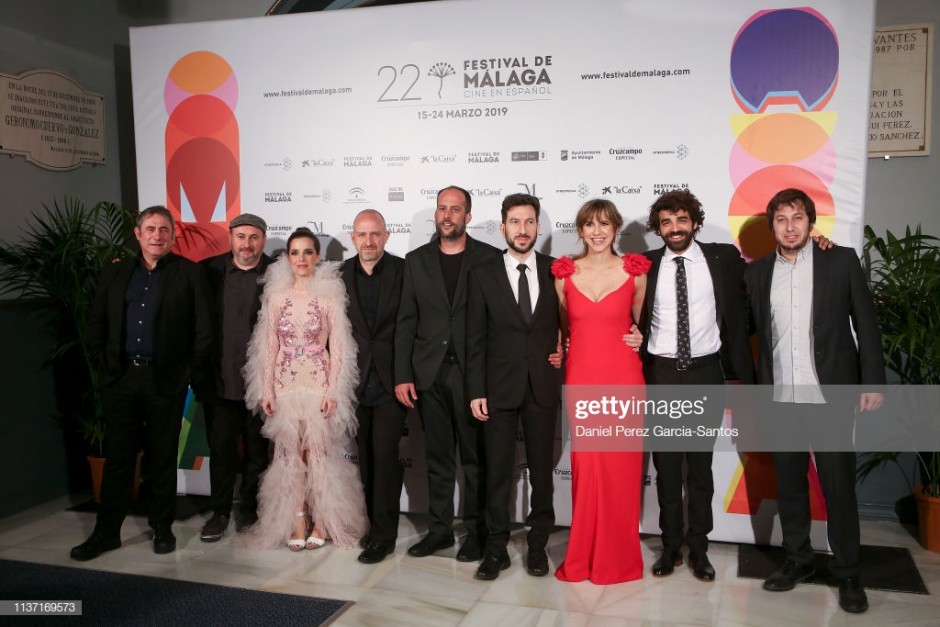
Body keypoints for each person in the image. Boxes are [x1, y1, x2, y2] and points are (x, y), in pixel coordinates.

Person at [745, 188, 885, 614]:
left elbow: (866, 323)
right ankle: (798, 559)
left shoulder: (839, 261)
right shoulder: (757, 273)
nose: (790, 226)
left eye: (798, 217)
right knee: (789, 485)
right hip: (780, 394)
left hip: (831, 393)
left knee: (838, 486)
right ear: (772, 226)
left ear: (811, 222)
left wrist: (871, 382)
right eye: (782, 219)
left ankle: (848, 572)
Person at [71, 206, 211, 561]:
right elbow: (96, 322)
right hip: (121, 379)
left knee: (163, 458)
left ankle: (162, 529)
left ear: (172, 234)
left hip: (165, 380)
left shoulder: (190, 274)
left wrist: (188, 375)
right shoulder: (115, 274)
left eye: (164, 229)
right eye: (150, 229)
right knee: (119, 458)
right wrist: (105, 368)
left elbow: (203, 330)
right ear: (137, 233)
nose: (157, 236)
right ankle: (107, 534)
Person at [638, 190, 755, 582]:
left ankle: (699, 547)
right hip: (663, 374)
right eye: (666, 222)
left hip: (706, 372)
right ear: (659, 228)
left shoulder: (722, 258)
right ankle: (670, 546)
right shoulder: (644, 265)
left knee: (700, 468)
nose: (675, 228)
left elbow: (764, 278)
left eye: (681, 220)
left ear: (694, 222)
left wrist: (819, 246)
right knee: (668, 467)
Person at [242, 227, 368, 550]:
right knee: (288, 456)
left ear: (317, 257)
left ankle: (324, 521)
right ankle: (298, 519)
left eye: (307, 252)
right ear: (288, 257)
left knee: (319, 456)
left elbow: (339, 347)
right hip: (285, 383)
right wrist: (266, 389)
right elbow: (268, 346)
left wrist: (333, 392)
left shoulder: (328, 295)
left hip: (318, 381)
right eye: (295, 253)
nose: (301, 259)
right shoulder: (275, 297)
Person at [395, 185, 500, 562]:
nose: (447, 215)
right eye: (442, 208)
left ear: (467, 217)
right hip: (429, 375)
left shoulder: (490, 258)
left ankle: (476, 532)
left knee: (475, 460)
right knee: (437, 459)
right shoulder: (416, 260)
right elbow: (406, 320)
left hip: (473, 377)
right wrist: (403, 373)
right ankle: (439, 531)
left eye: (456, 209)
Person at [551, 198, 650, 584]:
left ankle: (617, 559)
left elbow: (642, 325)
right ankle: (584, 555)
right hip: (582, 378)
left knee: (620, 471)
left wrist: (640, 336)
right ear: (580, 229)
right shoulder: (564, 273)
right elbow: (561, 329)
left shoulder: (635, 271)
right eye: (589, 224)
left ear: (616, 229)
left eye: (604, 225)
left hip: (623, 380)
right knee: (588, 468)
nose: (596, 232)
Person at [466, 193, 562, 580]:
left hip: (541, 385)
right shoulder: (483, 274)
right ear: (503, 227)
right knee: (497, 473)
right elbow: (473, 338)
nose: (522, 230)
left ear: (538, 227)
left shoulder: (558, 270)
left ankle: (538, 547)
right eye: (515, 222)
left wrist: (563, 350)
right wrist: (476, 389)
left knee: (542, 472)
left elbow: (571, 325)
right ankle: (496, 549)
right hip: (497, 388)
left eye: (529, 222)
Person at [199, 214, 273, 541]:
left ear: (263, 240)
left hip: (262, 386)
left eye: (254, 237)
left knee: (258, 453)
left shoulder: (277, 273)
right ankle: (219, 513)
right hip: (219, 381)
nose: (247, 243)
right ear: (230, 238)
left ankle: (249, 510)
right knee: (221, 451)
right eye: (241, 236)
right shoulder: (207, 271)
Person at [341, 209, 407, 564]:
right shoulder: (337, 275)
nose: (368, 241)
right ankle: (370, 526)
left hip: (392, 382)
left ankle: (384, 535)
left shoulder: (403, 272)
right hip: (352, 383)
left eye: (375, 234)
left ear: (386, 236)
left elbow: (413, 326)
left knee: (385, 459)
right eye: (362, 234)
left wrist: (405, 375)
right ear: (353, 238)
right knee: (364, 460)